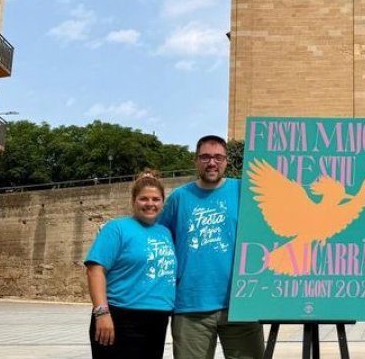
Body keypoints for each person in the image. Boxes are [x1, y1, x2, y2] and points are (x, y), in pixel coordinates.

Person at [159, 134, 264, 359]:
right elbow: (158, 241)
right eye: (205, 157)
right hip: (190, 305)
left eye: (218, 157)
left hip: (241, 303)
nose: (212, 162)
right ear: (196, 161)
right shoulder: (179, 197)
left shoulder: (245, 191)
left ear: (226, 161)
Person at [84, 171, 177, 358]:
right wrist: (101, 313)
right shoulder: (116, 229)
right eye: (144, 199)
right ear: (134, 200)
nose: (150, 204)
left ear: (162, 202)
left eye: (156, 199)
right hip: (121, 319)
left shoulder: (165, 233)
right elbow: (95, 270)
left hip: (157, 321)